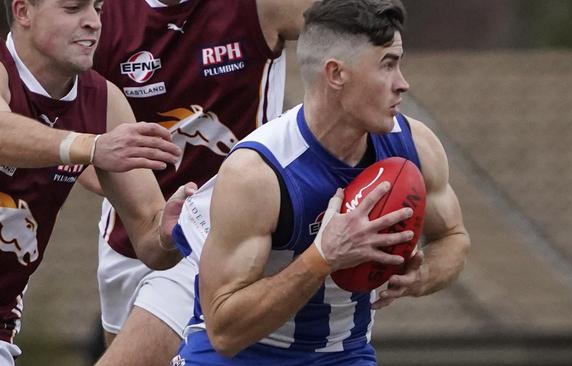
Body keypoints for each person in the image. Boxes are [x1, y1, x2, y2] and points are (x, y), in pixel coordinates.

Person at [168, 0, 471, 364]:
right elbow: (225, 332)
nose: (402, 84)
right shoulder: (259, 173)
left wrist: (423, 274)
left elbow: (454, 238)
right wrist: (323, 256)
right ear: (336, 74)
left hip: (342, 355)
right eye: (387, 65)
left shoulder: (415, 145)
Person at [82, 0, 314, 365]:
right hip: (127, 233)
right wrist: (119, 179)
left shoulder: (261, 8)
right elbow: (67, 124)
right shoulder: (101, 16)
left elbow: (349, 30)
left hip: (214, 225)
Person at [0, 0, 194, 364]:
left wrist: (169, 230)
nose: (92, 22)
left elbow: (149, 241)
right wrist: (91, 146)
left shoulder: (103, 102)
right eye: (73, 8)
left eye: (98, 9)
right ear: (23, 12)